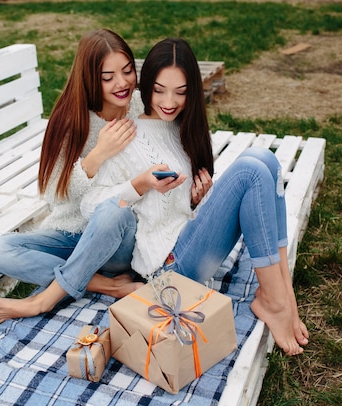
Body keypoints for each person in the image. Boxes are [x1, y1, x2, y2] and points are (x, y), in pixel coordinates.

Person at [81, 38, 309, 355]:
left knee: (266, 161)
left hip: (188, 242)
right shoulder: (127, 133)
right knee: (250, 170)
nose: (170, 101)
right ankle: (272, 300)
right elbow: (90, 205)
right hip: (167, 270)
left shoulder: (182, 128)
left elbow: (171, 211)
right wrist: (140, 184)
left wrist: (194, 202)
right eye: (159, 90)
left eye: (181, 91)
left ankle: (282, 294)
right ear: (146, 87)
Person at [0, 29, 145, 325]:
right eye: (108, 77)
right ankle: (103, 284)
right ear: (90, 79)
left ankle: (42, 301)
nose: (122, 83)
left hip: (118, 241)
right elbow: (55, 193)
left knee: (113, 210)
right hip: (72, 235)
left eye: (128, 71)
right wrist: (97, 156)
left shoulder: (140, 106)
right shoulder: (71, 120)